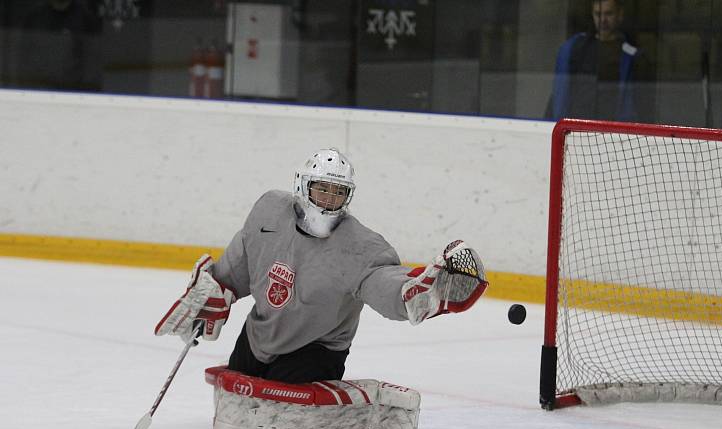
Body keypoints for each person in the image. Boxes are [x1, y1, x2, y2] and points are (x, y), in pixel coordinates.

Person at [154, 148, 487, 385]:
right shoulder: (269, 213)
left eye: (338, 192)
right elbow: (241, 263)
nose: (329, 198)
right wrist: (216, 291)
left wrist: (414, 292)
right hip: (258, 336)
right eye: (322, 188)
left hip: (315, 350)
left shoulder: (360, 245)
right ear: (302, 184)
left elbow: (381, 280)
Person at [544, 0, 649, 122]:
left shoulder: (631, 55)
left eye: (608, 14)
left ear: (620, 15)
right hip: (576, 128)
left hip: (611, 131)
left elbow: (636, 103)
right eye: (598, 14)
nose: (603, 20)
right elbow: (560, 93)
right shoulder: (574, 48)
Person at [16, 0, 102, 91]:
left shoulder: (86, 19)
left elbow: (92, 62)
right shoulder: (34, 17)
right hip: (39, 92)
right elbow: (23, 58)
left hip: (74, 94)